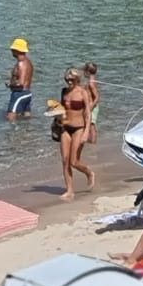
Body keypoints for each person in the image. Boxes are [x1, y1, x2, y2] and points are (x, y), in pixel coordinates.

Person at [55, 67, 98, 200]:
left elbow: (88, 114)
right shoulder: (64, 92)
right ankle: (69, 190)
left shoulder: (83, 92)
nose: (69, 82)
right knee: (65, 161)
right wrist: (56, 116)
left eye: (72, 80)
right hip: (65, 128)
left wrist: (86, 132)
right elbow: (62, 109)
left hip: (79, 128)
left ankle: (89, 173)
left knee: (74, 161)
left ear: (77, 79)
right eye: (67, 79)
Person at [6, 39, 33, 121]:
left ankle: (11, 130)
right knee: (26, 118)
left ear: (17, 50)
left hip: (20, 94)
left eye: (12, 49)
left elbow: (21, 83)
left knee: (10, 117)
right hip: (27, 93)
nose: (11, 51)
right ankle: (30, 129)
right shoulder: (28, 62)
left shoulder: (21, 63)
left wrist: (10, 84)